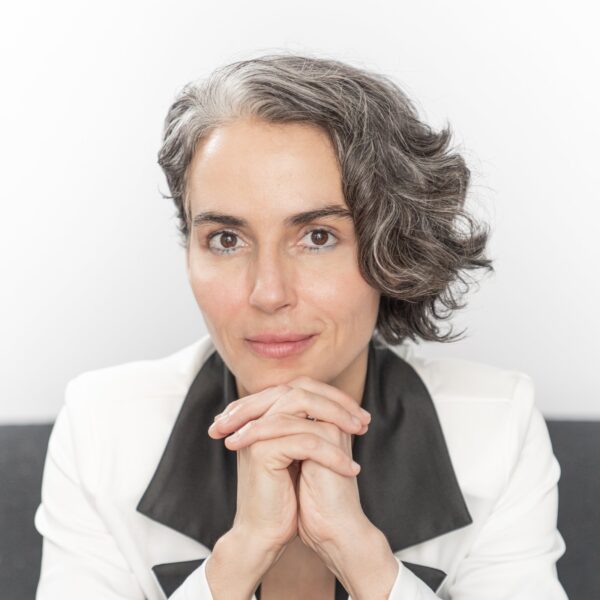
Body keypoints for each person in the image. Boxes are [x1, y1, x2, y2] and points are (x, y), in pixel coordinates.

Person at [34, 53, 568, 599]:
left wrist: (363, 558)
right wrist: (240, 556)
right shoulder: (103, 429)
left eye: (317, 237)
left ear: (392, 248)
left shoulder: (493, 429)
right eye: (226, 239)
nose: (269, 293)